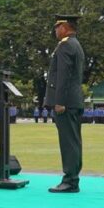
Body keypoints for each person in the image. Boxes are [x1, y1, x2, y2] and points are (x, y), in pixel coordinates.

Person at [44, 14, 85, 193]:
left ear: (64, 27)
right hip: (73, 100)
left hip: (66, 102)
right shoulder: (75, 44)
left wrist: (59, 102)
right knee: (73, 141)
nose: (55, 30)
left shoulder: (66, 45)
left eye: (57, 27)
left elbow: (63, 76)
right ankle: (72, 179)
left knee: (68, 142)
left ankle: (69, 180)